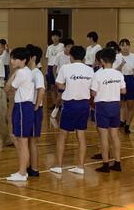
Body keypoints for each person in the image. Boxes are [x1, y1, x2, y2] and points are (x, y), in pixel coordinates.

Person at [51, 45, 93, 175]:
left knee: (63, 136)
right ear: (84, 57)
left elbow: (59, 84)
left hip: (70, 105)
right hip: (84, 105)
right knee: (81, 136)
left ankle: (58, 166)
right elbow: (92, 88)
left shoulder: (65, 68)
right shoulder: (90, 70)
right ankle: (80, 167)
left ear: (71, 56)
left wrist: (69, 87)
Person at [90, 48, 126, 173]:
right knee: (115, 135)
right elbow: (123, 91)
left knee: (104, 136)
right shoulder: (118, 74)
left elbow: (93, 92)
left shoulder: (98, 74)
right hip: (115, 105)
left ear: (101, 60)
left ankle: (105, 164)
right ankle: (117, 163)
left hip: (102, 106)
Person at [5, 47, 35, 182]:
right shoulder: (25, 71)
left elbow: (8, 88)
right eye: (11, 58)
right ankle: (22, 171)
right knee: (22, 141)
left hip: (23, 107)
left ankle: (22, 173)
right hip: (22, 106)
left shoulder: (22, 73)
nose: (12, 61)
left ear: (23, 60)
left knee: (23, 142)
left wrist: (14, 73)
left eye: (15, 58)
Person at [26, 45, 45, 177]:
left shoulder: (37, 73)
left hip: (34, 109)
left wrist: (36, 105)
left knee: (32, 140)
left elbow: (41, 90)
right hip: (28, 108)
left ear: (33, 58)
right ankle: (29, 166)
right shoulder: (28, 72)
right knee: (27, 140)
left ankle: (34, 168)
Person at [116, 38, 134, 134]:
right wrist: (121, 65)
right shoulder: (117, 57)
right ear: (120, 47)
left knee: (130, 104)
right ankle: (121, 121)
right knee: (120, 103)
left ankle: (127, 125)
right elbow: (114, 71)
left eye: (127, 45)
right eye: (123, 45)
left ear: (129, 46)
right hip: (119, 79)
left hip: (130, 80)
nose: (125, 47)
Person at [50, 37, 74, 121]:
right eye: (68, 46)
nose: (70, 48)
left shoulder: (73, 56)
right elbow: (54, 67)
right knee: (60, 95)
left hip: (70, 78)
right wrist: (56, 78)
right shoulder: (59, 55)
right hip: (61, 78)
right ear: (65, 47)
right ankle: (56, 108)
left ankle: (67, 110)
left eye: (71, 47)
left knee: (70, 95)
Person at [46, 31, 64, 110]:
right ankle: (55, 103)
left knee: (60, 87)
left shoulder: (62, 46)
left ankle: (61, 103)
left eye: (56, 36)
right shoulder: (49, 47)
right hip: (50, 67)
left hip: (59, 67)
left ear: (59, 37)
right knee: (53, 87)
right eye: (53, 36)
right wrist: (47, 70)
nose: (54, 37)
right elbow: (48, 59)